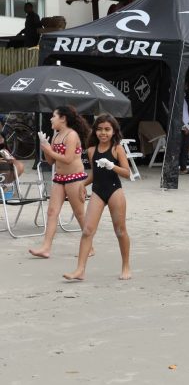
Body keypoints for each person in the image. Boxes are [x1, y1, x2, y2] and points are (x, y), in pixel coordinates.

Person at [63, 114, 132, 281]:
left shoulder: (117, 149)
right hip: (98, 191)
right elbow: (95, 173)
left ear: (114, 131)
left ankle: (126, 266)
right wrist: (82, 184)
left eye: (107, 129)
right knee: (87, 230)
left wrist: (112, 166)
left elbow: (127, 173)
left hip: (115, 191)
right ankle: (80, 270)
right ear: (95, 131)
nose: (103, 133)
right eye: (100, 129)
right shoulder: (92, 150)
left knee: (120, 231)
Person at [29, 106, 92, 259]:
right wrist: (45, 146)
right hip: (59, 178)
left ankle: (89, 246)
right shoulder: (56, 136)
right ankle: (45, 248)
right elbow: (51, 161)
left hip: (74, 178)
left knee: (79, 214)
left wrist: (49, 150)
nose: (51, 119)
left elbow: (69, 159)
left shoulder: (71, 135)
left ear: (63, 118)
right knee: (52, 212)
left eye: (54, 116)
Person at [179, 89, 189, 175]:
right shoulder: (177, 100)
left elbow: (185, 114)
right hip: (180, 127)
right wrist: (183, 126)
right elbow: (176, 115)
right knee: (179, 149)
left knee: (185, 149)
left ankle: (183, 168)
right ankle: (175, 168)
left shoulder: (184, 100)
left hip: (186, 125)